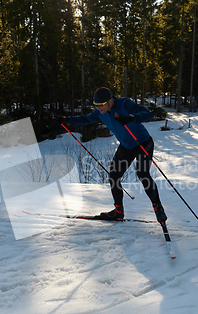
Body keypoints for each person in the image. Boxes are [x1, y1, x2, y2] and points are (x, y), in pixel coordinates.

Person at [53, 87, 167, 222]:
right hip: (126, 146)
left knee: (142, 173)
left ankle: (158, 208)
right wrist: (66, 120)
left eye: (101, 105)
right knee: (114, 176)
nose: (98, 108)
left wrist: (131, 118)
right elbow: (86, 119)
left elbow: (147, 114)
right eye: (96, 105)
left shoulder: (124, 104)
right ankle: (118, 211)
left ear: (110, 101)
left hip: (143, 143)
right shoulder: (100, 112)